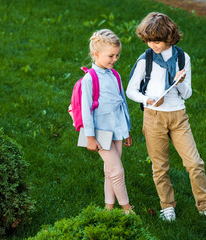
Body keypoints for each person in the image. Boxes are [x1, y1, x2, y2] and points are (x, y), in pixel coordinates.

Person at [126, 12, 206, 221]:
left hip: (178, 117)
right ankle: (167, 205)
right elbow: (131, 90)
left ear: (169, 37)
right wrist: (146, 100)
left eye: (158, 41)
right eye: (149, 40)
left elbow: (187, 93)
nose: (153, 45)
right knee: (160, 166)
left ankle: (205, 205)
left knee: (195, 163)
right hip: (154, 117)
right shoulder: (146, 60)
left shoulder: (182, 58)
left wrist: (180, 80)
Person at [81, 29, 133, 213]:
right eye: (111, 55)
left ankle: (108, 208)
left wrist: (126, 130)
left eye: (117, 55)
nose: (115, 59)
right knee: (117, 171)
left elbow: (123, 103)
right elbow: (86, 111)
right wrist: (89, 137)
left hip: (117, 128)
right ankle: (127, 209)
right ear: (96, 54)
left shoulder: (115, 75)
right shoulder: (90, 79)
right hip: (100, 132)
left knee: (110, 171)